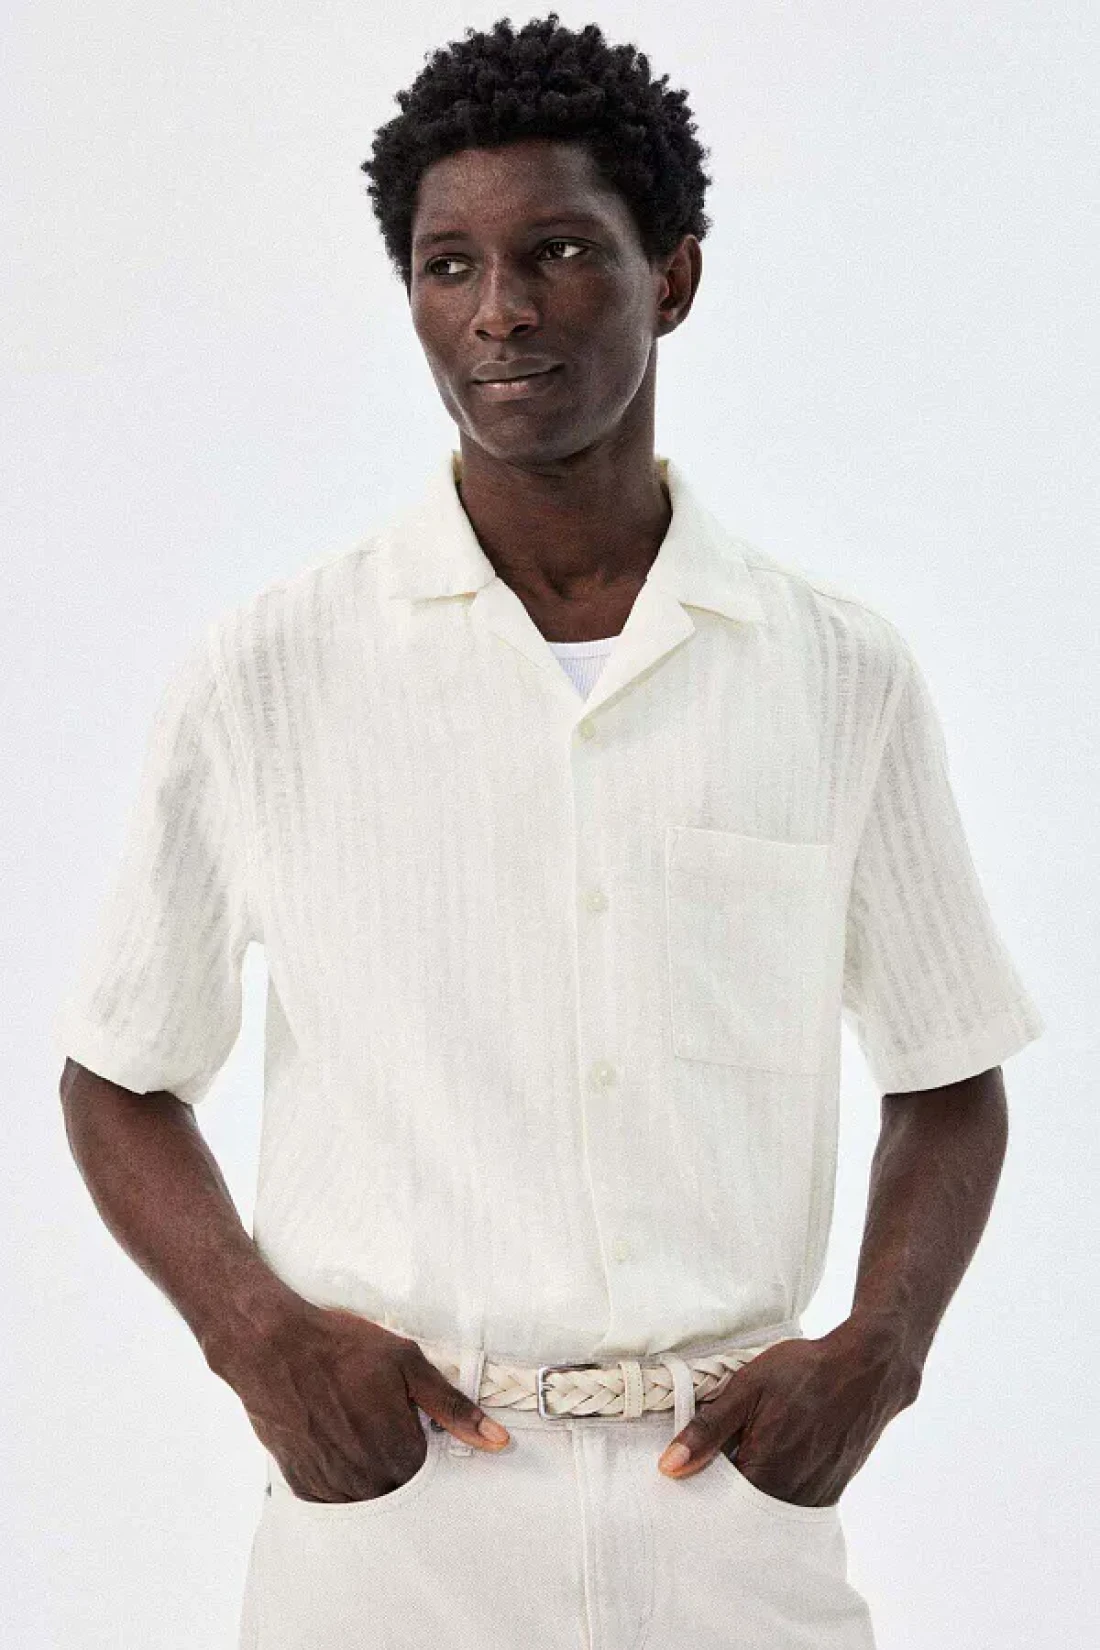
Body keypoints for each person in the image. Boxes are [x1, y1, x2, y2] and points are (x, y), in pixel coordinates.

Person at [54, 14, 1046, 1649]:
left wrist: (883, 1348)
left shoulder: (834, 673)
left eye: (560, 251)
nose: (499, 310)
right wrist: (256, 1338)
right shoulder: (271, 672)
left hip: (727, 1508)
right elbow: (117, 1073)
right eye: (448, 266)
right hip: (393, 1525)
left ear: (675, 275)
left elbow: (947, 1071)